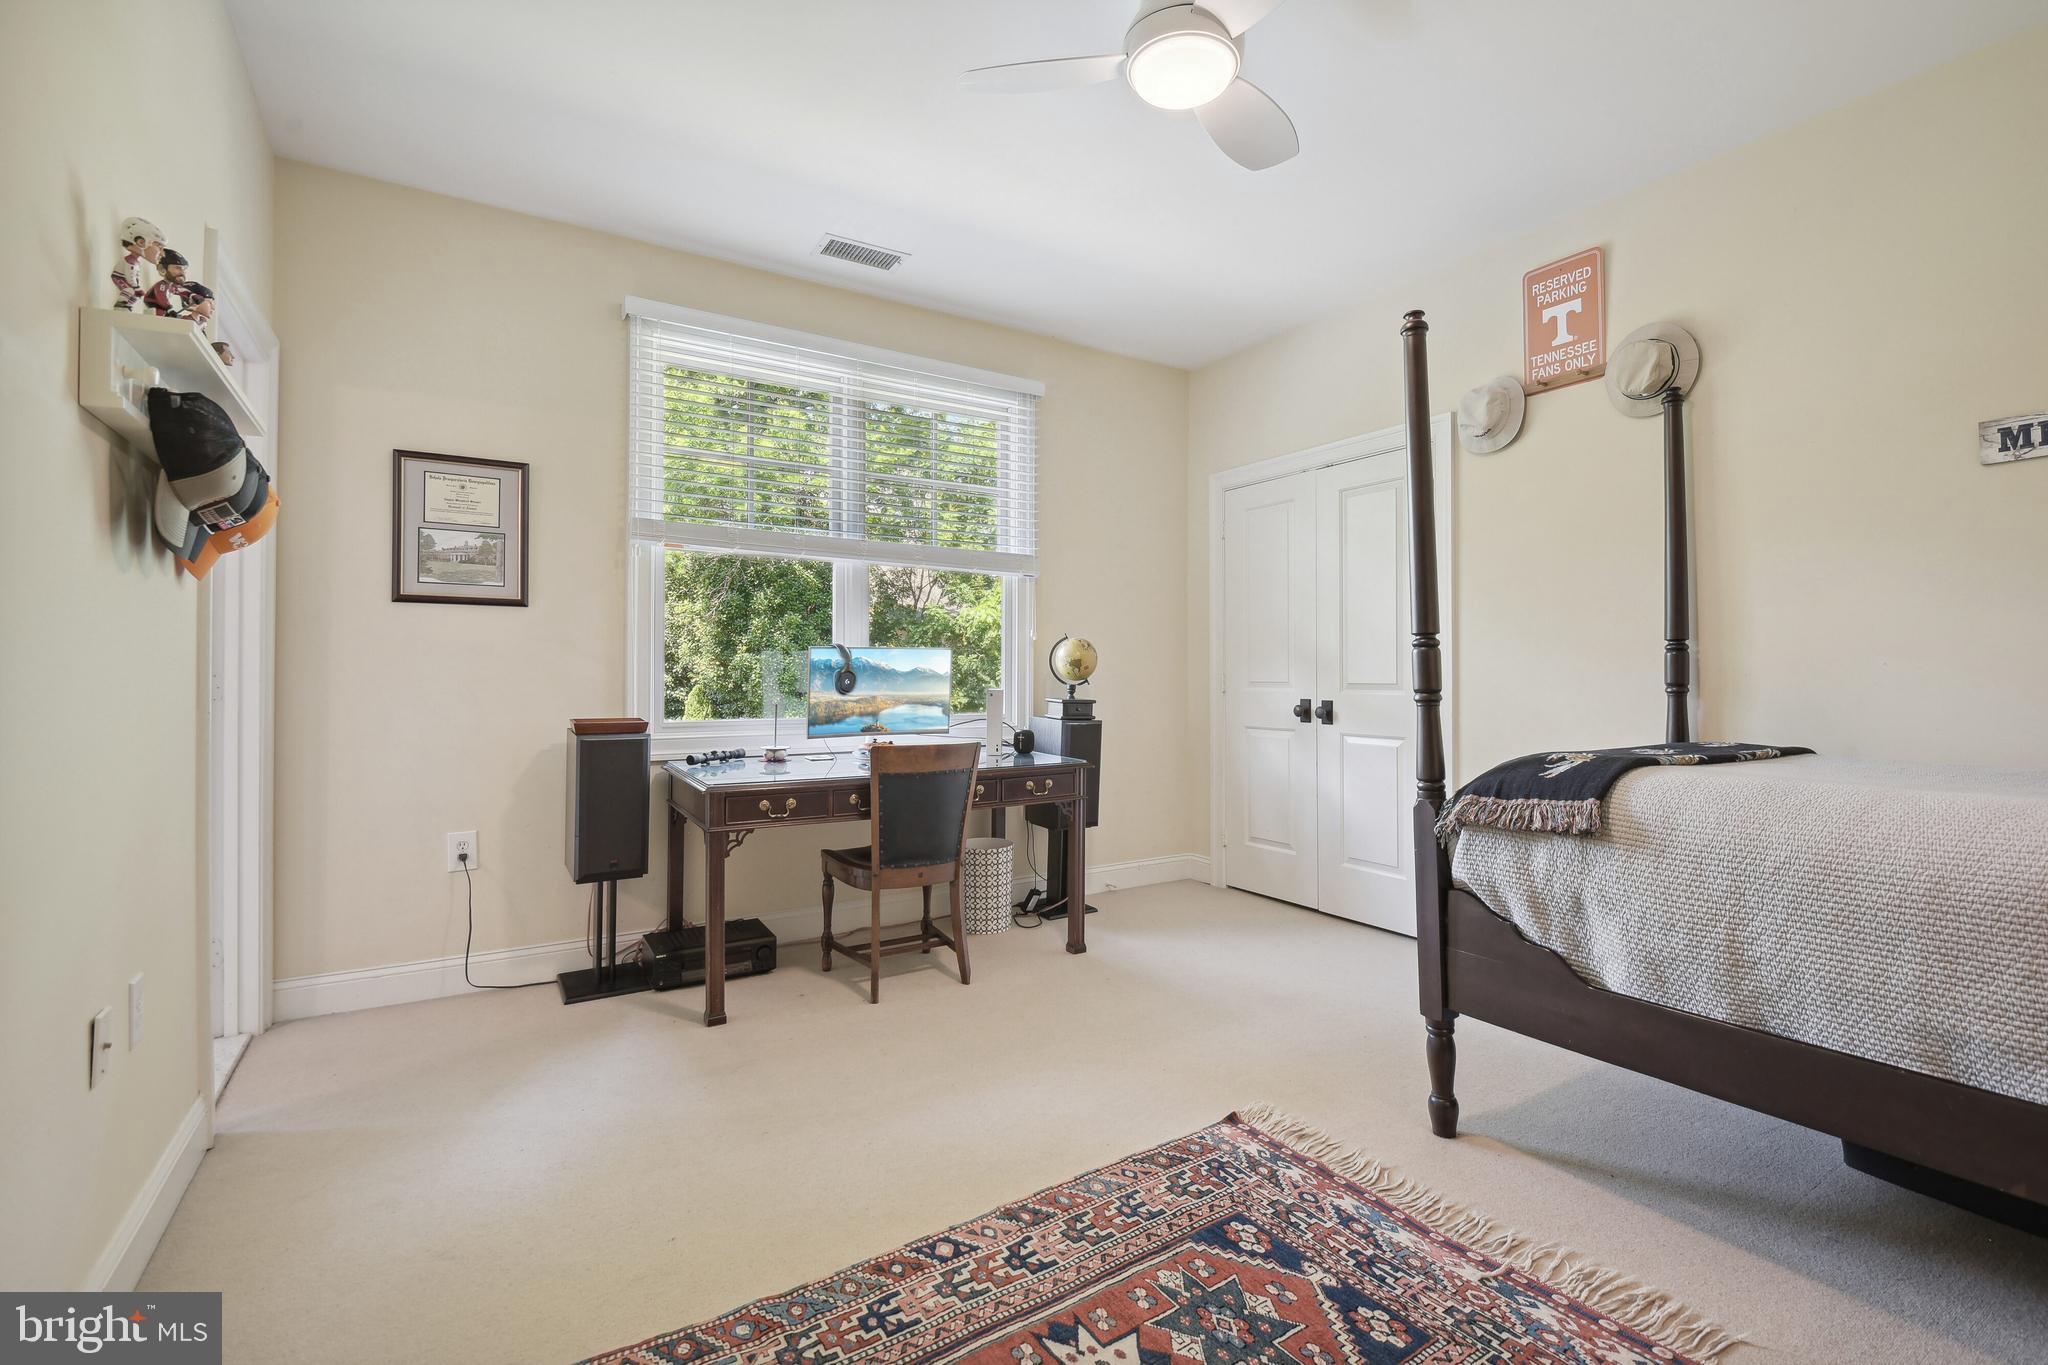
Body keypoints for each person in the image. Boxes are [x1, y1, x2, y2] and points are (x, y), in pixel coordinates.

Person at [112, 216, 163, 312]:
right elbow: (130, 278)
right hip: (119, 277)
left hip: (128, 280)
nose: (161, 253)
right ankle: (121, 305)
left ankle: (127, 306)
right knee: (130, 290)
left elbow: (134, 277)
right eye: (158, 246)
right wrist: (136, 288)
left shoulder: (136, 262)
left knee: (136, 294)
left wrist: (137, 289)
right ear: (141, 242)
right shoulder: (130, 261)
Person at [145, 246, 190, 315]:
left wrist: (192, 296)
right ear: (163, 269)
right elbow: (161, 297)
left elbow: (182, 291)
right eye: (177, 268)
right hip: (155, 306)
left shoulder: (173, 286)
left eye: (184, 269)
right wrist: (169, 308)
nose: (182, 272)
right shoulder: (162, 285)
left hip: (163, 308)